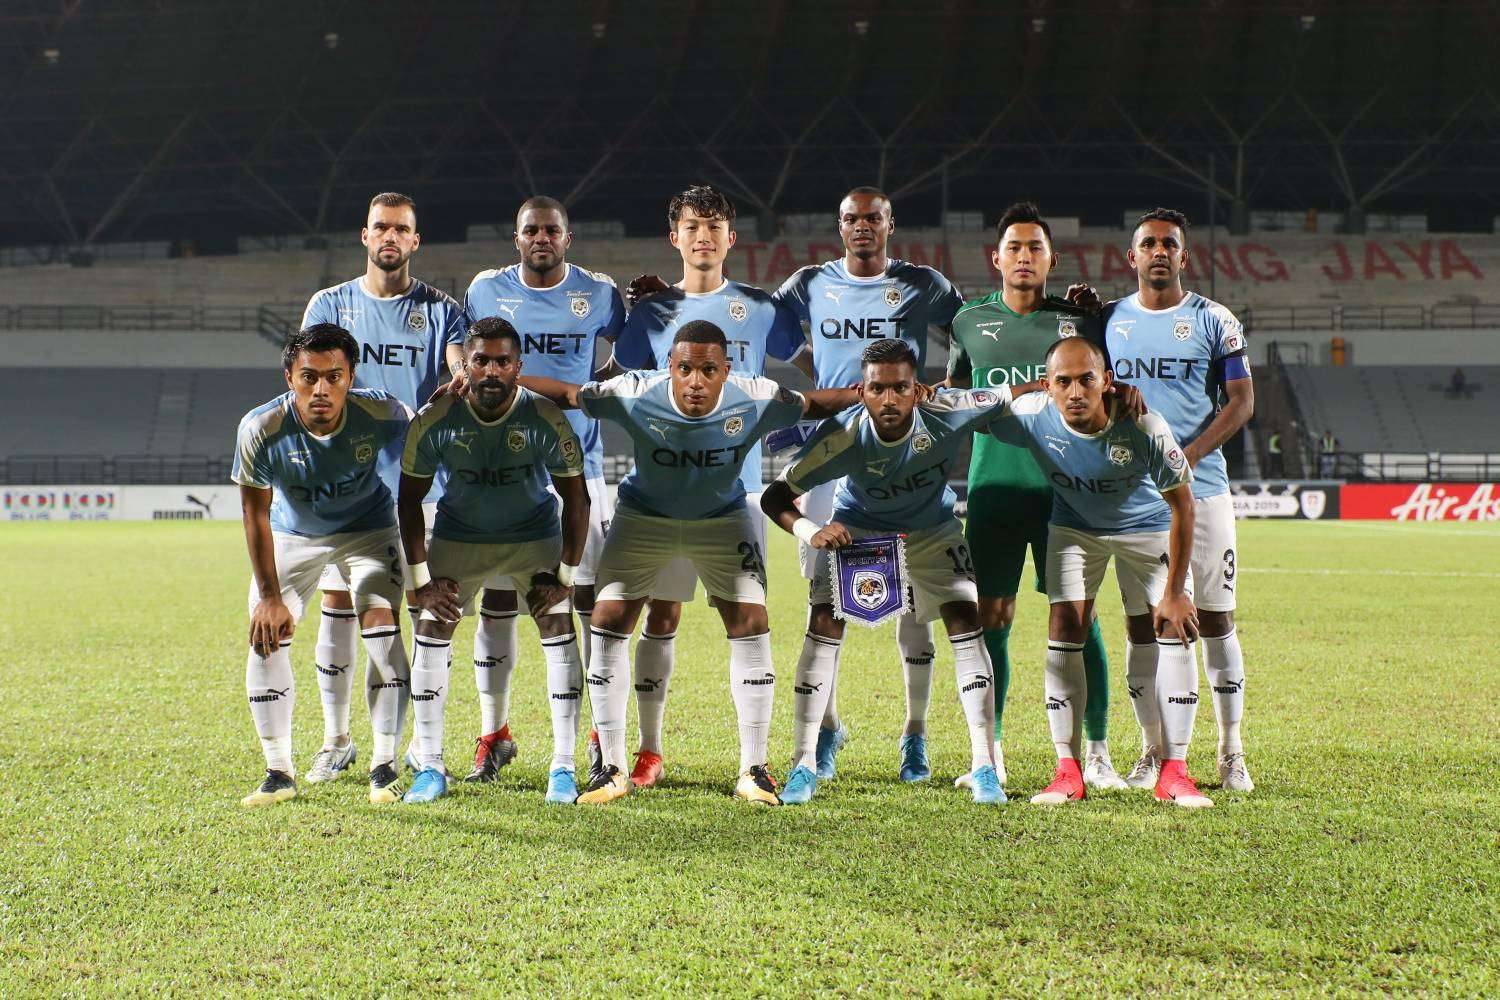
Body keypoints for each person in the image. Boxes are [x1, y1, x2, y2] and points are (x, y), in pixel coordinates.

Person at [519, 320, 859, 805]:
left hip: (722, 519)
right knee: (608, 618)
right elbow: (571, 395)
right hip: (644, 517)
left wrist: (867, 394)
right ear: (670, 367)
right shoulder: (635, 392)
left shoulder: (756, 396)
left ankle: (754, 770)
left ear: (726, 370)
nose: (695, 381)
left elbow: (812, 404)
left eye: (707, 370)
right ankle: (611, 768)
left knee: (751, 621)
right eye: (685, 369)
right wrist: (509, 379)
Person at [607, 184, 813, 789]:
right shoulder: (651, 314)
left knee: (746, 616)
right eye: (692, 226)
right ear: (674, 237)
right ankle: (648, 751)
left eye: (714, 226)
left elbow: (809, 367)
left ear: (731, 238)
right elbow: (620, 382)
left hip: (739, 492)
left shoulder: (761, 307)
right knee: (661, 614)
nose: (704, 236)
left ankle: (756, 761)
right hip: (664, 489)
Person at [762, 339, 1016, 806]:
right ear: (862, 391)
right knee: (823, 624)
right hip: (858, 530)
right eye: (877, 389)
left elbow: (1013, 394)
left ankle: (984, 766)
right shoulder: (843, 435)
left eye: (900, 387)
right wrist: (812, 531)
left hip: (933, 529)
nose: (889, 399)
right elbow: (774, 495)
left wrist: (1068, 386)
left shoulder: (948, 411)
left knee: (967, 620)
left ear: (918, 389)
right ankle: (803, 762)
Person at [771, 186, 967, 783]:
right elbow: (765, 328)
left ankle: (915, 734)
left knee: (915, 604)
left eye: (872, 218)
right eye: (852, 219)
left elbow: (971, 334)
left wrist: (943, 385)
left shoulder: (922, 283)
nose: (862, 227)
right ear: (840, 226)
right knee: (826, 600)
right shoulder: (810, 283)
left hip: (903, 448)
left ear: (889, 224)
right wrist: (822, 381)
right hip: (833, 453)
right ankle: (827, 730)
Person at [987, 337, 1212, 808]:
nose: (1075, 393)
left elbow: (1184, 507)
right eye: (1063, 382)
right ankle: (1067, 773)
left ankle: (1175, 772)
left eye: (1086, 380)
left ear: (1106, 381)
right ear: (1047, 386)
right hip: (1076, 529)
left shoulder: (1144, 425)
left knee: (1174, 626)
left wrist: (1175, 592)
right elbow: (969, 410)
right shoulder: (1031, 414)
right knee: (1064, 625)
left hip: (1147, 529)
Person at [945, 201, 1123, 793]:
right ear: (995, 258)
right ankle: (988, 753)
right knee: (990, 617)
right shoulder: (968, 322)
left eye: (1035, 248)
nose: (1024, 257)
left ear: (1053, 258)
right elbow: (955, 396)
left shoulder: (1078, 323)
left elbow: (1105, 393)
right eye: (1014, 248)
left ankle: (1095, 753)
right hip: (993, 490)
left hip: (1064, 495)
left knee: (1078, 618)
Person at [299, 192, 467, 785]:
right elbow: (310, 381)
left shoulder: (441, 309)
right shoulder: (330, 304)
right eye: (381, 227)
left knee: (419, 614)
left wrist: (458, 380)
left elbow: (457, 367)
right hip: (345, 488)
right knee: (338, 610)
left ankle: (416, 745)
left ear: (415, 240)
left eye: (401, 228)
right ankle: (336, 740)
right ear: (365, 236)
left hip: (419, 487)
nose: (390, 237)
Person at [459, 197, 625, 782]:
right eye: (531, 230)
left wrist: (588, 392)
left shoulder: (599, 292)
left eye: (552, 230)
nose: (541, 238)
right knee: (498, 601)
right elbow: (469, 358)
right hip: (504, 468)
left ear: (567, 238)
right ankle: (494, 734)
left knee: (588, 602)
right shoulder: (485, 289)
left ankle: (601, 737)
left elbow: (628, 355)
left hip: (580, 468)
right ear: (517, 237)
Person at [397, 318, 590, 805]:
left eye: (502, 361)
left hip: (533, 536)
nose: (491, 370)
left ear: (518, 367)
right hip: (460, 536)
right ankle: (431, 765)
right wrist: (420, 582)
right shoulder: (436, 417)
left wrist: (565, 577)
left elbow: (577, 498)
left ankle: (563, 767)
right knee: (431, 627)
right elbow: (408, 500)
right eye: (481, 360)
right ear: (465, 364)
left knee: (558, 625)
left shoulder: (543, 415)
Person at [1097, 207, 1256, 792]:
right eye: (1149, 244)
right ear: (1131, 257)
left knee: (1215, 619)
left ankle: (1231, 750)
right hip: (1135, 498)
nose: (1159, 251)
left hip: (1204, 491)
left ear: (1184, 256)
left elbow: (1241, 402)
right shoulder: (1108, 321)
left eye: (1169, 244)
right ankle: (1152, 751)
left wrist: (1187, 455)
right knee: (1144, 625)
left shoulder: (1215, 320)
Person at [231, 324, 415, 807]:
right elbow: (254, 514)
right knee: (266, 635)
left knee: (381, 627)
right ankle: (278, 772)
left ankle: (384, 765)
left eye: (334, 377)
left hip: (368, 531)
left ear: (351, 377)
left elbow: (427, 446)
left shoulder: (384, 412)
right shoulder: (260, 428)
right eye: (309, 376)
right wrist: (269, 597)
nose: (321, 389)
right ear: (289, 377)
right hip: (294, 535)